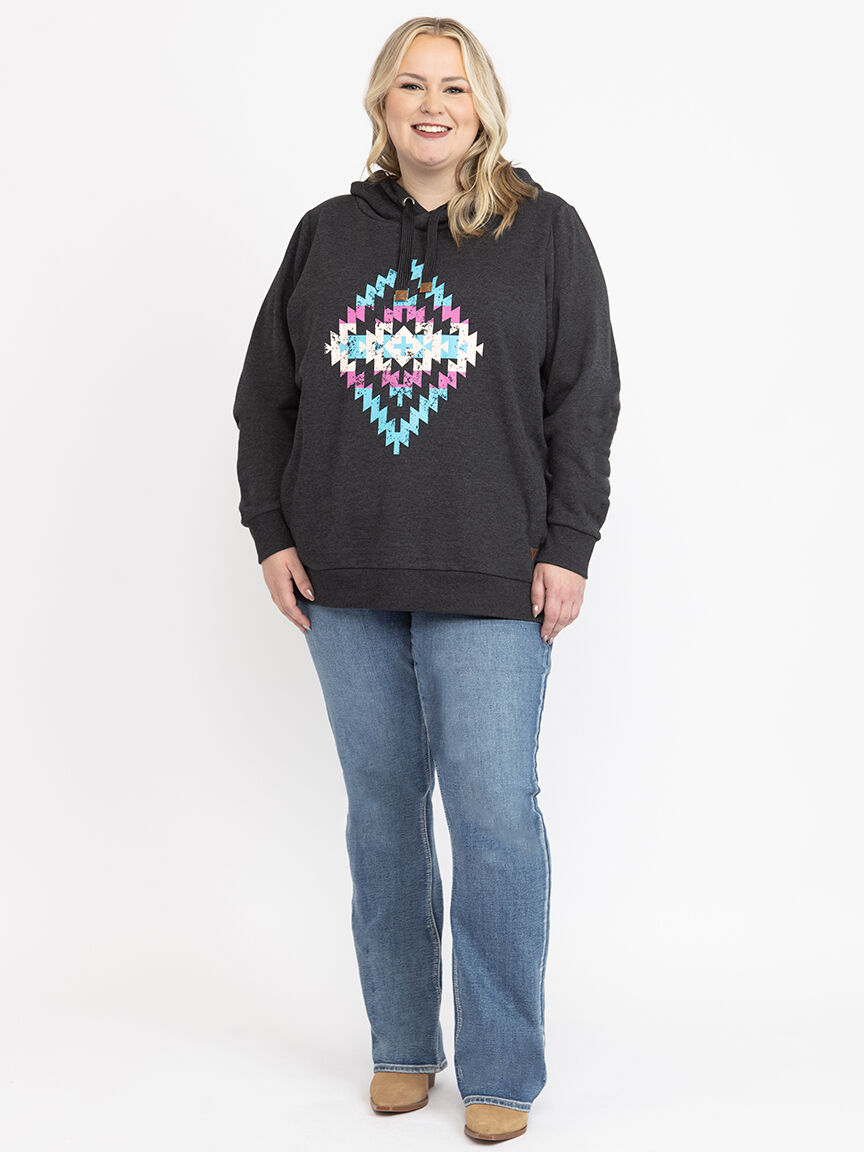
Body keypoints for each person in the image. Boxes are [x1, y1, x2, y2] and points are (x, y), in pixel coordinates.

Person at [232, 16, 620, 1144]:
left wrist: (568, 544)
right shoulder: (324, 236)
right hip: (343, 580)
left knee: (495, 821)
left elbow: (584, 396)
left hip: (494, 579)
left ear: (483, 106)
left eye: (454, 86)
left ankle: (500, 1068)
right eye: (412, 85)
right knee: (383, 822)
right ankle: (402, 1045)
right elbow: (266, 397)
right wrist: (270, 531)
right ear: (382, 105)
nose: (433, 104)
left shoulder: (545, 233)